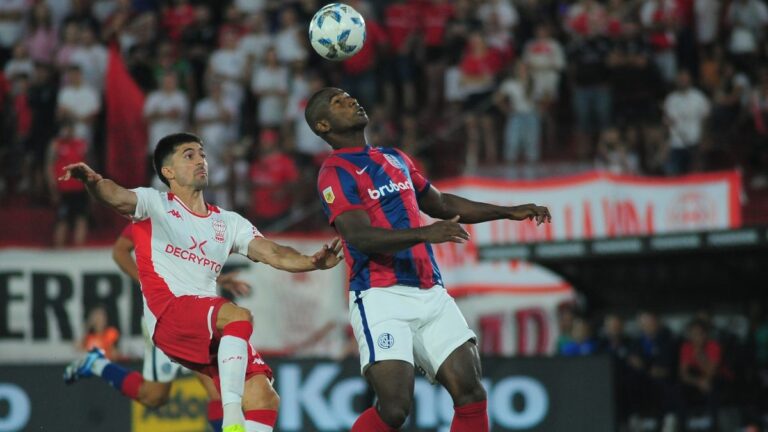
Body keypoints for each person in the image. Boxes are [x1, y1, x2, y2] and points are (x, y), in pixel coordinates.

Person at [57, 132, 343, 432]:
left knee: (264, 396)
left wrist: (311, 262)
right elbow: (114, 195)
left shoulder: (228, 222)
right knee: (235, 320)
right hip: (168, 314)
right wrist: (91, 180)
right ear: (168, 171)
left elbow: (273, 252)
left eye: (202, 154)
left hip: (204, 320)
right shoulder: (153, 204)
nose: (200, 160)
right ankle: (233, 421)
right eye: (189, 155)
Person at [304, 88, 551, 431]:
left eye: (349, 97)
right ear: (323, 125)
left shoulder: (394, 158)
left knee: (471, 392)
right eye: (338, 102)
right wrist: (424, 234)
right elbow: (358, 236)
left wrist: (508, 211)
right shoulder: (334, 172)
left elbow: (441, 204)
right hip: (380, 295)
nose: (352, 101)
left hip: (429, 290)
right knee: (394, 408)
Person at [65, 222, 251, 432]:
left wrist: (217, 278)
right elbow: (120, 251)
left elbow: (192, 260)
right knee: (154, 396)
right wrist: (150, 284)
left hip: (198, 312)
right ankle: (97, 363)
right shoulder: (153, 212)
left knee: (218, 390)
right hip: (165, 316)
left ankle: (96, 363)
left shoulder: (202, 214)